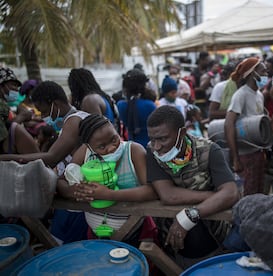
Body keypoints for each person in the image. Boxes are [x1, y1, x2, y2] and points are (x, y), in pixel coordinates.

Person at [146, 105, 239, 268]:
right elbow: (168, 195)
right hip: (173, 243)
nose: (157, 146)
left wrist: (189, 216)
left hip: (214, 239)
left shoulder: (209, 151)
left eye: (162, 139)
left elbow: (231, 193)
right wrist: (213, 196)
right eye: (153, 139)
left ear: (182, 133)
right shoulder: (152, 153)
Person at [0, 81, 90, 244]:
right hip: (74, 193)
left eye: (44, 111)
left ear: (55, 104)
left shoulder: (73, 121)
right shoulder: (72, 120)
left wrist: (9, 158)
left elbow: (51, 157)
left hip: (78, 199)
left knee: (66, 247)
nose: (42, 116)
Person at [58, 114, 158, 243]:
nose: (111, 148)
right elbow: (61, 182)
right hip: (96, 235)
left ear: (117, 130)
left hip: (134, 234)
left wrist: (109, 194)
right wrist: (75, 191)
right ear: (89, 146)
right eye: (102, 147)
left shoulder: (133, 151)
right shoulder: (85, 152)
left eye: (114, 139)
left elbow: (152, 191)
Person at [224, 57, 268, 196]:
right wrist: (235, 157)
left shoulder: (259, 94)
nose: (266, 75)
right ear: (252, 73)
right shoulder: (241, 94)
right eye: (263, 72)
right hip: (245, 155)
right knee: (247, 195)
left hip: (258, 152)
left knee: (258, 193)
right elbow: (229, 123)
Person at [116, 69, 157, 147]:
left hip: (130, 147)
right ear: (144, 86)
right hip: (150, 146)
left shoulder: (121, 105)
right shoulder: (150, 105)